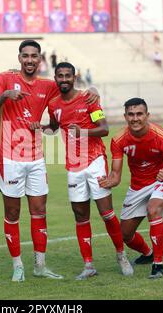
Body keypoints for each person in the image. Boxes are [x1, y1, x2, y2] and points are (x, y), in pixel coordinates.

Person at [0, 40, 99, 282]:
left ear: (39, 59)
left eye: (34, 56)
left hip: (36, 158)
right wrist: (5, 95)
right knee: (13, 213)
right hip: (10, 157)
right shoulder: (5, 78)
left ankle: (40, 265)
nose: (29, 60)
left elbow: (71, 91)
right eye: (25, 55)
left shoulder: (48, 85)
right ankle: (18, 266)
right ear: (19, 58)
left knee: (39, 212)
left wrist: (94, 91)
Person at [36, 62, 133, 279]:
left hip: (95, 161)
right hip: (73, 166)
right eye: (59, 76)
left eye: (67, 76)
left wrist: (83, 132)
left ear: (74, 77)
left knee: (106, 213)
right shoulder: (53, 104)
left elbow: (105, 129)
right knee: (80, 216)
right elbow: (54, 126)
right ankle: (89, 265)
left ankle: (121, 256)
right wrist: (41, 128)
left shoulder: (89, 99)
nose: (63, 79)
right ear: (55, 78)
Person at [99, 97, 163, 279]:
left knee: (153, 210)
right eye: (131, 114)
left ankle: (158, 264)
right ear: (125, 116)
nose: (135, 118)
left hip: (160, 181)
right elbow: (116, 176)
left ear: (147, 115)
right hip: (137, 186)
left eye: (139, 114)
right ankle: (148, 253)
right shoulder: (118, 139)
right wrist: (107, 181)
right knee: (125, 235)